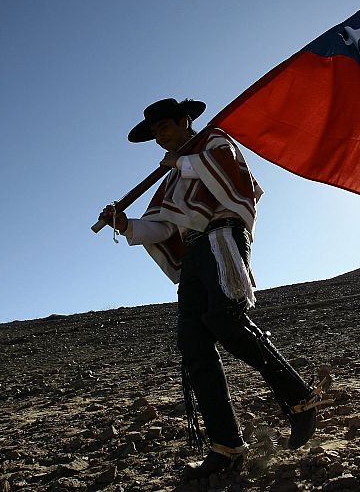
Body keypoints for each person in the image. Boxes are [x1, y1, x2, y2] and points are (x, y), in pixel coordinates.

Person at [99, 98, 322, 478]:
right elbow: (167, 226)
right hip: (193, 255)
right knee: (193, 344)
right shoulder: (171, 177)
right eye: (154, 133)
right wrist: (126, 224)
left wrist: (183, 163)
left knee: (224, 318)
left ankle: (299, 397)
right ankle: (227, 445)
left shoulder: (214, 143)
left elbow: (234, 185)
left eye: (164, 127)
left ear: (185, 122)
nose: (160, 137)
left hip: (222, 237)